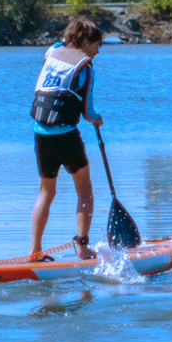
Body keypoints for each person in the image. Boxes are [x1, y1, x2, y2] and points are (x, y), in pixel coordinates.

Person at [25, 14, 105, 263]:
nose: (98, 52)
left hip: (40, 135)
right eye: (97, 45)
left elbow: (62, 42)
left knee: (45, 192)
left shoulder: (52, 53)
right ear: (85, 42)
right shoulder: (85, 68)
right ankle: (82, 247)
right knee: (85, 191)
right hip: (66, 137)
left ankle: (35, 251)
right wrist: (97, 119)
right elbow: (88, 113)